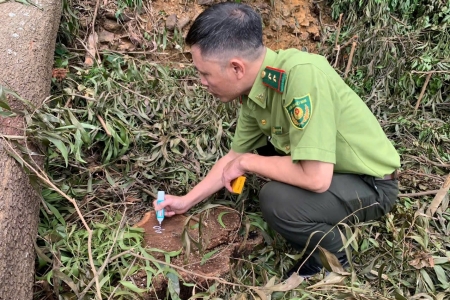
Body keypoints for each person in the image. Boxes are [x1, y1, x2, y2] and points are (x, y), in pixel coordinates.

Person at [153, 2, 400, 278]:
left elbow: (316, 179)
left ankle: (333, 257)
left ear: (236, 68)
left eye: (205, 73)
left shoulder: (302, 76)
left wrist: (249, 162)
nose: (202, 81)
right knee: (265, 160)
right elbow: (234, 157)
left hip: (371, 186)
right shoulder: (259, 89)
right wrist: (186, 201)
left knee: (275, 199)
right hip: (338, 175)